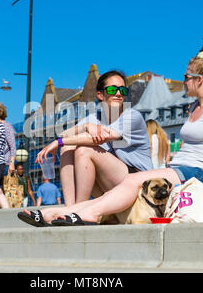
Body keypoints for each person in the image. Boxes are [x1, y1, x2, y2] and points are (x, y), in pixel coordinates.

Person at [18, 53, 203, 226]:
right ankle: (60, 212)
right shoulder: (193, 107)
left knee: (130, 182)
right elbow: (189, 147)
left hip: (200, 172)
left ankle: (82, 214)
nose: (183, 80)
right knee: (118, 178)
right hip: (180, 169)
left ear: (199, 80)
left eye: (186, 76)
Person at [36, 70, 152, 207]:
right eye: (112, 89)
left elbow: (103, 137)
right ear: (100, 95)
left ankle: (79, 210)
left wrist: (58, 142)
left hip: (138, 181)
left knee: (84, 150)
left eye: (123, 90)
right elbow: (65, 135)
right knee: (68, 147)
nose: (119, 93)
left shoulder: (132, 116)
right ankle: (70, 208)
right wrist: (86, 126)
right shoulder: (95, 118)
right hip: (112, 181)